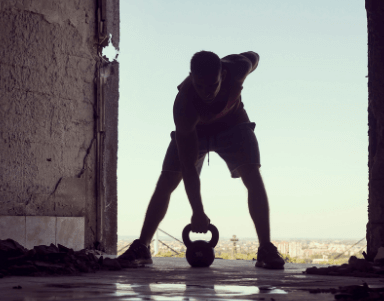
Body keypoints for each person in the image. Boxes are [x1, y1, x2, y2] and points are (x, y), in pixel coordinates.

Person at [119, 51, 285, 269]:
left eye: (212, 85)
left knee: (252, 173)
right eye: (200, 86)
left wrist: (237, 61)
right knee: (167, 180)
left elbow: (254, 56)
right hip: (194, 131)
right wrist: (197, 211)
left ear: (223, 75)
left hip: (234, 125)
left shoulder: (238, 68)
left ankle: (265, 249)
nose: (206, 92)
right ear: (191, 78)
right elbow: (188, 167)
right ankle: (142, 246)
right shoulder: (184, 106)